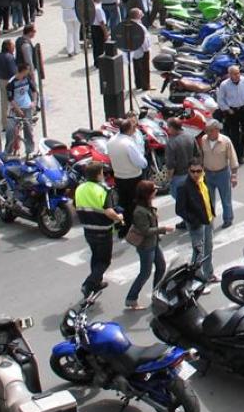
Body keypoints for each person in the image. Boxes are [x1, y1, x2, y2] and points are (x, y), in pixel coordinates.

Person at [73, 162, 122, 299]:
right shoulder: (103, 189)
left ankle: (96, 283)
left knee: (96, 257)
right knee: (105, 261)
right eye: (102, 172)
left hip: (88, 230)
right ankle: (89, 284)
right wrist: (118, 217)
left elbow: (76, 206)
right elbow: (109, 211)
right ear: (99, 174)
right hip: (103, 230)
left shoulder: (80, 188)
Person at [124, 180, 172, 311]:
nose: (156, 192)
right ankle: (131, 298)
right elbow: (145, 231)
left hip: (153, 243)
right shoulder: (140, 211)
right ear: (147, 194)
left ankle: (157, 295)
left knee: (161, 266)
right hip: (146, 246)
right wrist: (163, 229)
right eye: (153, 190)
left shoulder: (147, 206)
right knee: (145, 272)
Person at [176, 160, 218, 287]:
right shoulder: (183, 186)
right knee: (198, 253)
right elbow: (180, 209)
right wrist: (194, 220)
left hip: (208, 220)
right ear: (188, 171)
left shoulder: (203, 179)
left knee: (208, 248)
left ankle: (209, 274)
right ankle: (196, 281)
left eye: (198, 171)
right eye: (193, 171)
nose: (196, 174)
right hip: (197, 224)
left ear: (202, 170)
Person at [106, 118, 147, 236]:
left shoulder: (111, 141)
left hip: (119, 176)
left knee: (123, 203)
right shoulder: (128, 144)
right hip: (133, 177)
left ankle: (124, 227)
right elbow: (142, 163)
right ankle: (135, 228)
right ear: (129, 129)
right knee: (134, 204)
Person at [198, 119, 239, 228]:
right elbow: (201, 156)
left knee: (226, 198)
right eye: (206, 131)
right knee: (208, 199)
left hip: (222, 174)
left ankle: (228, 219)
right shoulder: (203, 140)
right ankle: (210, 220)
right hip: (208, 174)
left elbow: (233, 158)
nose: (208, 133)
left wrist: (234, 176)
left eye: (210, 131)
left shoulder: (226, 141)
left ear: (217, 130)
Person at [215, 65, 244, 164]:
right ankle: (239, 154)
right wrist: (228, 109)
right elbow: (220, 100)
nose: (237, 75)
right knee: (235, 134)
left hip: (243, 109)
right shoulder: (224, 85)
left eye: (238, 73)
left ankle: (241, 145)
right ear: (230, 75)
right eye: (235, 74)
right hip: (232, 112)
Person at [5, 63, 38, 155]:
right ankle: (8, 151)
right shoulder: (11, 83)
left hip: (26, 107)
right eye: (27, 71)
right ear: (23, 71)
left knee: (28, 128)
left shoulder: (27, 79)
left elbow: (34, 90)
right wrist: (18, 110)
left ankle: (30, 150)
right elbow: (10, 99)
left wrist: (34, 102)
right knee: (10, 129)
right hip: (15, 108)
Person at [0, 39, 17, 129]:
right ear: (8, 47)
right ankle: (14, 122)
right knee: (14, 102)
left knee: (4, 104)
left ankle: (5, 124)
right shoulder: (10, 57)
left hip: (1, 81)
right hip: (10, 82)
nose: (14, 48)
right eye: (12, 46)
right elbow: (13, 71)